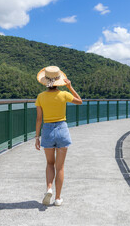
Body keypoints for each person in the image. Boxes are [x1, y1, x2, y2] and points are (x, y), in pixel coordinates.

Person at [35, 66, 82, 206]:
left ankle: (49, 188)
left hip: (47, 130)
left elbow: (39, 119)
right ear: (58, 81)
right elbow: (80, 101)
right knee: (60, 167)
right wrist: (70, 87)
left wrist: (37, 137)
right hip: (62, 129)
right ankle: (57, 198)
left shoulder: (41, 97)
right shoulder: (63, 95)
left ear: (45, 81)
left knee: (50, 163)